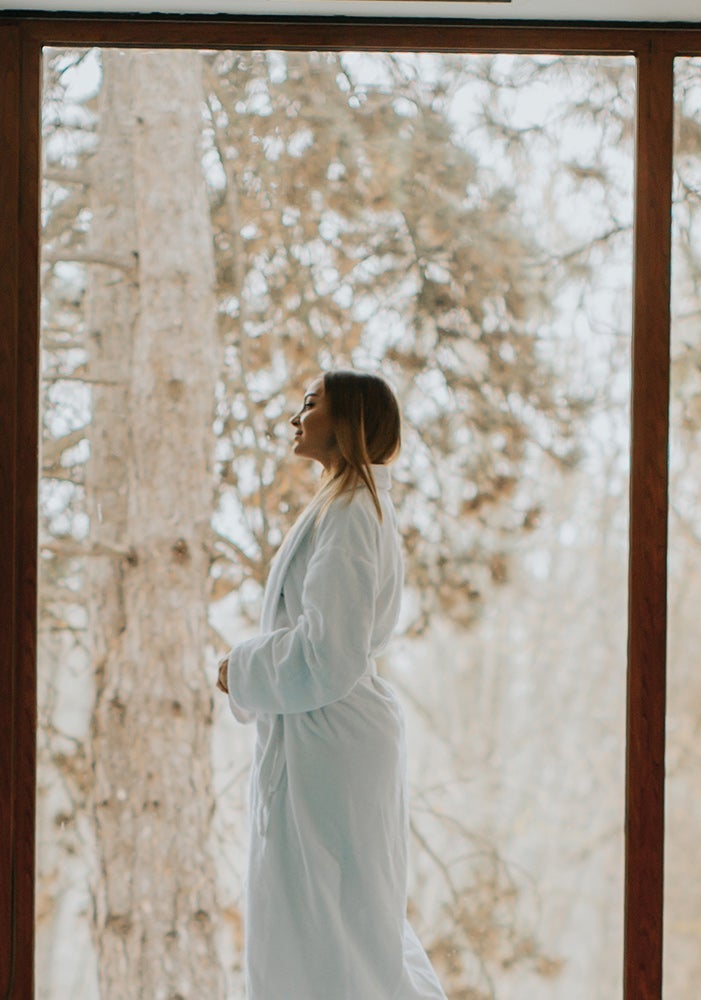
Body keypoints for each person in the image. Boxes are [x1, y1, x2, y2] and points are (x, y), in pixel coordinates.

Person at [214, 370, 447, 1000]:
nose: (296, 417)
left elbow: (329, 651)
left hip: (333, 743)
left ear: (346, 422)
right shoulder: (347, 506)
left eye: (311, 405)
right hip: (328, 739)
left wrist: (242, 669)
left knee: (330, 931)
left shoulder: (349, 513)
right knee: (338, 927)